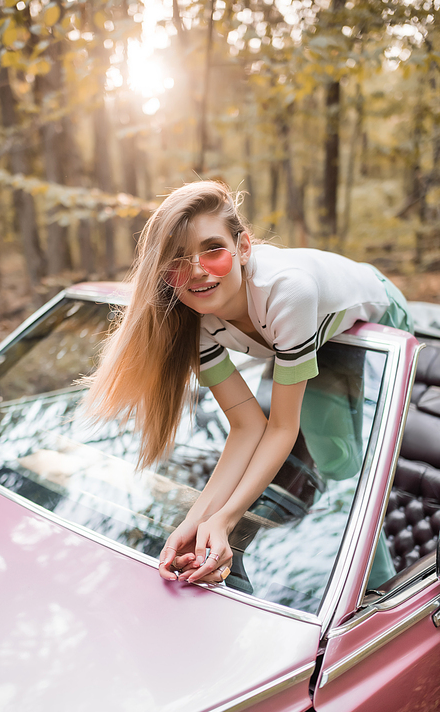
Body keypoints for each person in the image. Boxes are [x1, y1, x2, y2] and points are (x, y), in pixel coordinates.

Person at [84, 180, 413, 587]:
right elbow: (246, 427)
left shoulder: (289, 292)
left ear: (243, 248)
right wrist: (196, 521)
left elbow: (280, 427)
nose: (198, 271)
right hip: (292, 335)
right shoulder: (193, 317)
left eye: (213, 249)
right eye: (178, 262)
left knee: (336, 458)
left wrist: (224, 518)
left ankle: (376, 587)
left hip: (374, 315)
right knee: (281, 417)